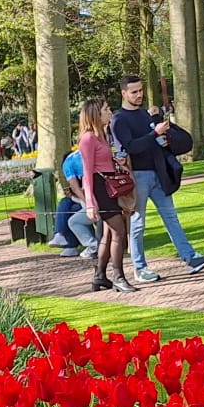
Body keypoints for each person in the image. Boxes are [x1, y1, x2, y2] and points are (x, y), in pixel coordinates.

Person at [112, 74, 204, 284]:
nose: (139, 95)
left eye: (141, 90)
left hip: (158, 173)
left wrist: (163, 139)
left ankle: (190, 258)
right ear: (124, 93)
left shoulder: (143, 114)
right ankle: (140, 268)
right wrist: (153, 135)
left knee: (171, 217)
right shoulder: (119, 120)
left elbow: (152, 142)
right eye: (134, 92)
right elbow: (130, 147)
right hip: (137, 176)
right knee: (138, 223)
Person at [76, 98, 136, 293]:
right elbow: (86, 172)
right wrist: (91, 203)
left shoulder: (102, 135)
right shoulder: (88, 139)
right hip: (101, 188)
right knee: (118, 230)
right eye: (106, 109)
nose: (110, 112)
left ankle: (100, 276)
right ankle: (118, 276)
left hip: (110, 185)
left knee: (109, 234)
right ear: (96, 113)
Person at [45, 147, 98, 259]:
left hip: (90, 203)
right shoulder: (80, 169)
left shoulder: (71, 166)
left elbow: (81, 191)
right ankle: (63, 238)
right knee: (65, 203)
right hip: (84, 200)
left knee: (71, 214)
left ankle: (70, 243)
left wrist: (86, 202)